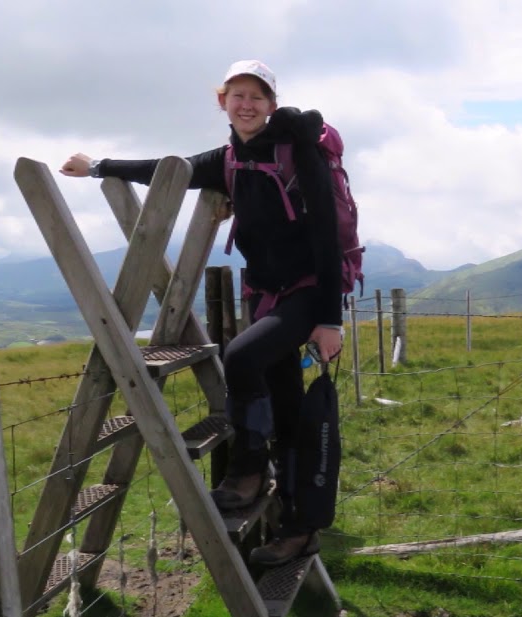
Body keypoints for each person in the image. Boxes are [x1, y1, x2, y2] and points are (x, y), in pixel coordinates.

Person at [60, 60, 343, 567]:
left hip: (307, 292)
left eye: (257, 96)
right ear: (222, 102)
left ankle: (249, 467)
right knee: (287, 408)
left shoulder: (298, 151)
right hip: (266, 295)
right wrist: (99, 167)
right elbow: (169, 171)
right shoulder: (229, 158)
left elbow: (327, 234)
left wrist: (330, 319)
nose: (247, 104)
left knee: (240, 358)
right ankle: (300, 528)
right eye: (237, 95)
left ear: (271, 103)